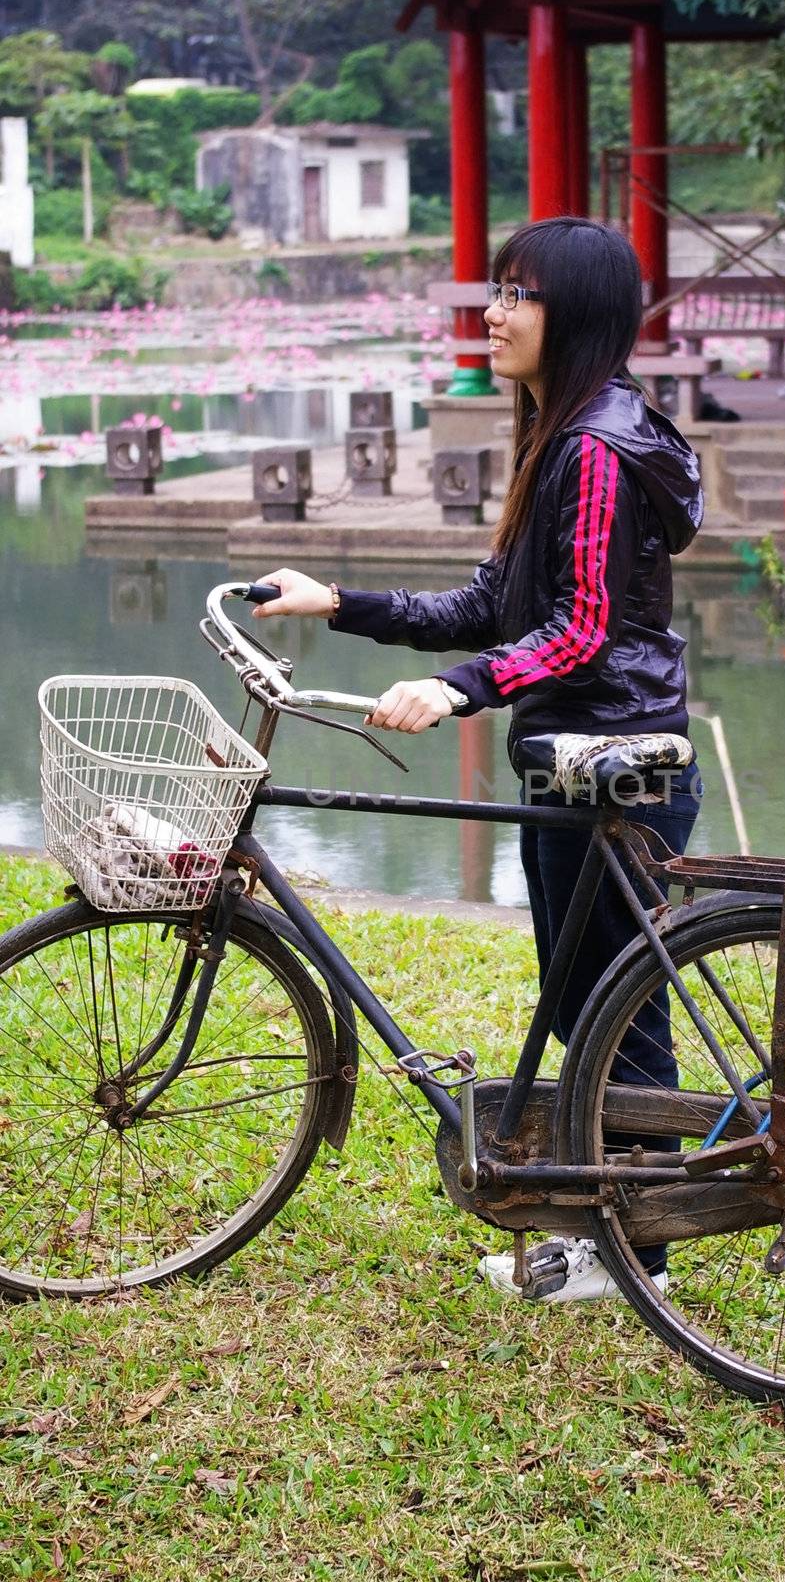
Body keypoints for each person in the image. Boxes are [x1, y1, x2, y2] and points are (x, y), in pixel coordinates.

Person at [251, 215, 704, 1302]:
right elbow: (493, 605)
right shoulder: (563, 432)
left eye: (519, 295)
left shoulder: (595, 446)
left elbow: (583, 629)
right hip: (570, 751)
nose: (492, 314)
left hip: (617, 756)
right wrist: (337, 600)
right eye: (495, 290)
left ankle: (636, 1254)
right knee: (586, 992)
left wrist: (460, 687)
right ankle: (606, 1233)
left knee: (615, 1003)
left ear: (579, 317)